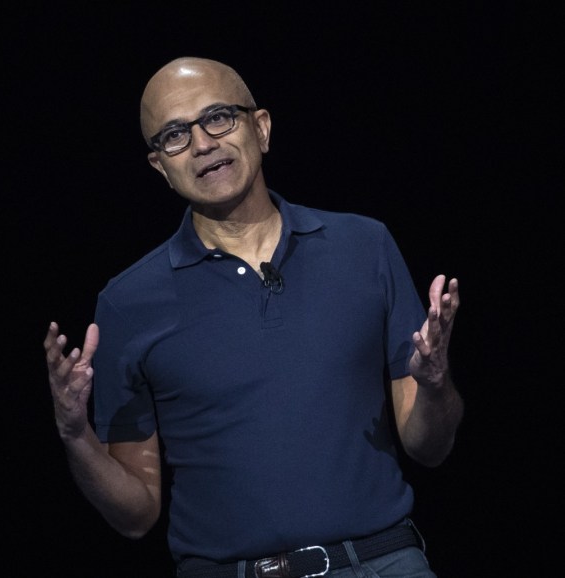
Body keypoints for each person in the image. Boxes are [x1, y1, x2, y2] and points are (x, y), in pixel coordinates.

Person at [44, 56, 464, 578]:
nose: (202, 143)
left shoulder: (365, 246)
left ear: (260, 128)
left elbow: (429, 447)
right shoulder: (127, 303)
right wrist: (75, 435)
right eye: (174, 134)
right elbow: (135, 515)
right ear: (160, 166)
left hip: (379, 560)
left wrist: (437, 383)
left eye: (219, 117)